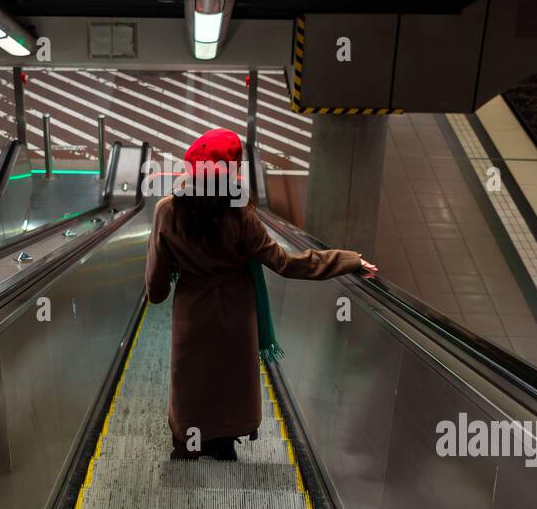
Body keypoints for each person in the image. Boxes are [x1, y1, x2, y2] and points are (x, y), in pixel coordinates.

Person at [145, 128, 378, 461]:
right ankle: (223, 444)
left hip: (192, 310)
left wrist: (157, 291)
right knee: (229, 375)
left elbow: (156, 274)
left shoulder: (167, 211)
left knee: (191, 375)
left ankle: (187, 443)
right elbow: (286, 263)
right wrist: (347, 259)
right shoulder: (241, 216)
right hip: (237, 310)